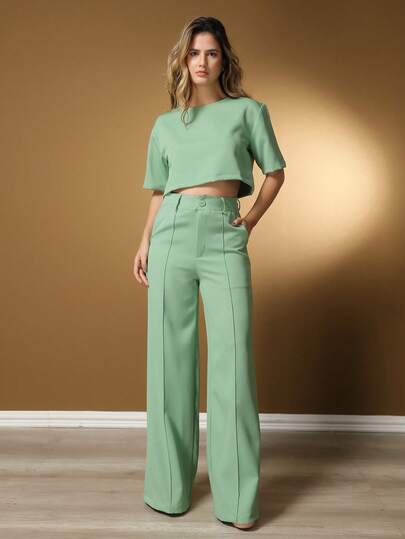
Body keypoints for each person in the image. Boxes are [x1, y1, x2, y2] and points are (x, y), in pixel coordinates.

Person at [133, 15, 286, 531]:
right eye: (194, 53)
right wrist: (144, 241)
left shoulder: (248, 111)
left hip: (223, 231)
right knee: (168, 365)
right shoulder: (165, 124)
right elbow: (160, 190)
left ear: (224, 60)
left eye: (212, 52)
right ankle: (168, 490)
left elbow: (275, 173)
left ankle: (238, 502)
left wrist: (250, 222)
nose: (202, 62)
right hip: (170, 234)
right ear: (184, 60)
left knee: (232, 363)